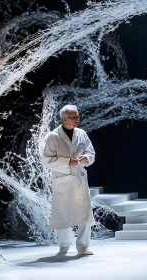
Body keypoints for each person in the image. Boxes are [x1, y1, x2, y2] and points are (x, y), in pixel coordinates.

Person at [41, 104, 96, 256]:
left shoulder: (82, 133)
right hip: (63, 180)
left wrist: (87, 158)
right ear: (64, 119)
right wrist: (66, 162)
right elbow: (46, 160)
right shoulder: (54, 136)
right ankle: (64, 246)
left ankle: (82, 246)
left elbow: (91, 152)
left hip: (79, 178)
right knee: (63, 212)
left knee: (84, 212)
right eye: (73, 117)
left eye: (77, 116)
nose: (77, 120)